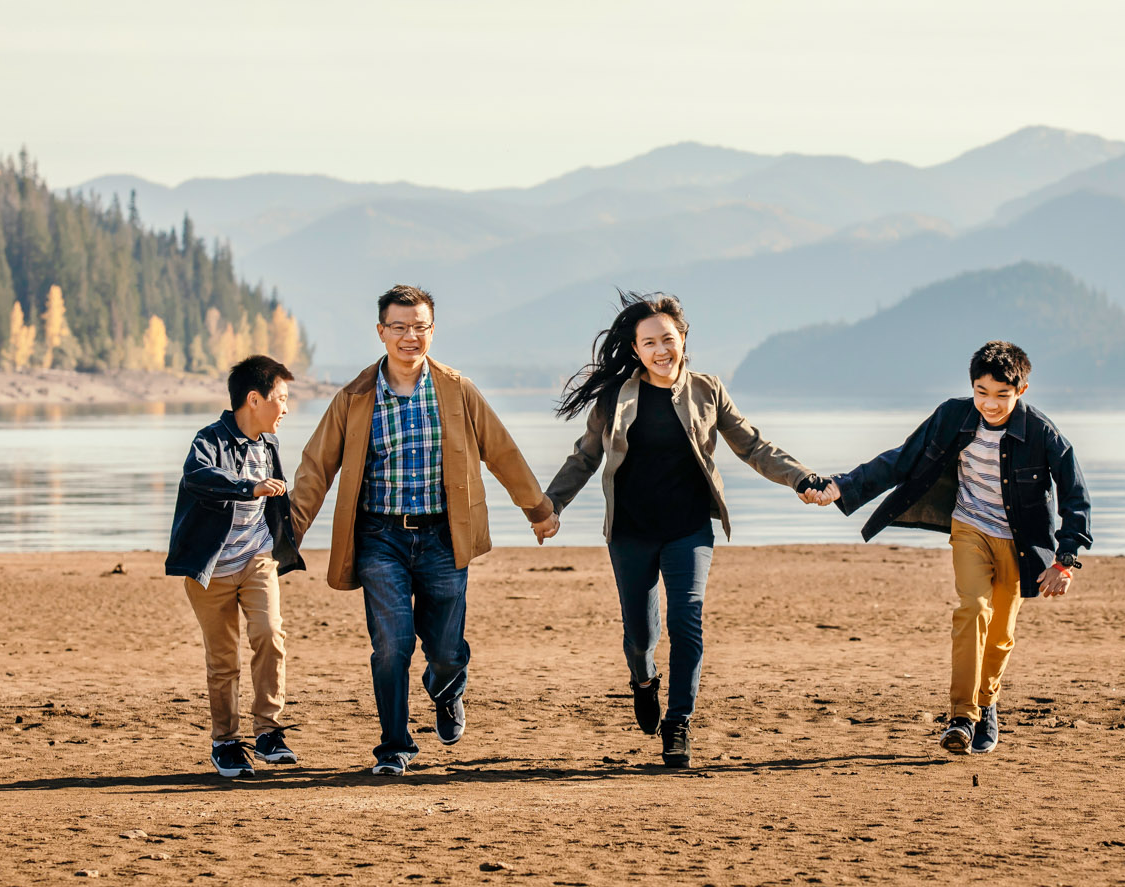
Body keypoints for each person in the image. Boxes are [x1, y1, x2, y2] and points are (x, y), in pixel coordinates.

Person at [544, 292, 825, 770]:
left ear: (683, 340)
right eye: (649, 342)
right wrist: (550, 505)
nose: (660, 350)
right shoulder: (615, 398)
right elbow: (585, 456)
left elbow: (752, 445)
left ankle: (679, 723)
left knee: (687, 620)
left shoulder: (707, 390)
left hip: (688, 529)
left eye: (667, 340)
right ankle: (644, 679)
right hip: (630, 532)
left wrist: (801, 477)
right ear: (635, 349)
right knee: (640, 636)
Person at [289, 284, 559, 776]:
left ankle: (447, 684)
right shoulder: (354, 397)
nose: (410, 336)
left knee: (446, 649)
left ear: (432, 330)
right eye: (399, 327)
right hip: (379, 537)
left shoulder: (456, 389)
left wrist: (537, 508)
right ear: (381, 332)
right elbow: (315, 467)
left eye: (420, 327)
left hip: (443, 536)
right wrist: (289, 532)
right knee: (392, 643)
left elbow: (501, 450)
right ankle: (394, 747)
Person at [807, 340, 1090, 756]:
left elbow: (1075, 496)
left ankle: (986, 702)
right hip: (970, 528)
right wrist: (843, 486)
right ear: (971, 386)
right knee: (972, 609)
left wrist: (1064, 561)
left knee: (1001, 635)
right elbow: (901, 459)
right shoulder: (952, 417)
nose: (989, 404)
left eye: (1001, 395)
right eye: (981, 392)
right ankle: (961, 716)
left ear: (1022, 391)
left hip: (1020, 543)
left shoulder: (1044, 435)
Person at [165, 353, 304, 779]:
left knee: (270, 635)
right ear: (254, 399)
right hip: (211, 569)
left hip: (256, 557)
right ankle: (225, 742)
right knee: (222, 659)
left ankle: (268, 731)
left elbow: (279, 500)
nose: (285, 407)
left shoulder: (270, 444)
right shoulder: (209, 440)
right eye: (280, 397)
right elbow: (197, 477)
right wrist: (250, 487)